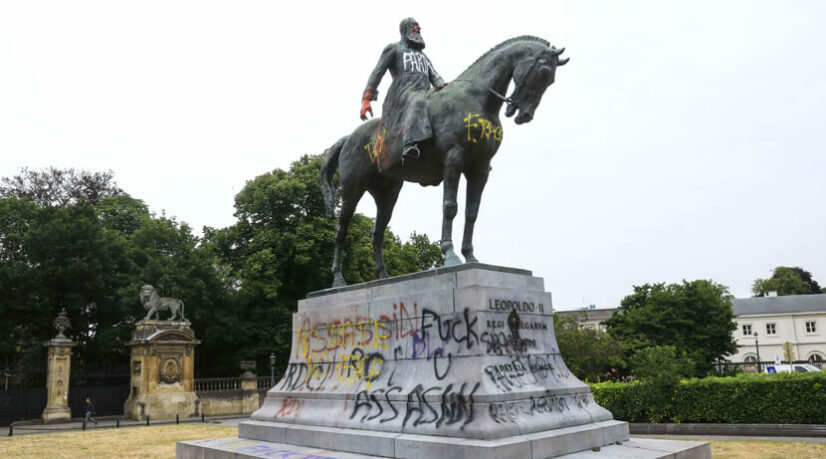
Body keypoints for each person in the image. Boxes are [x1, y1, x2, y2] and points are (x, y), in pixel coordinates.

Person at [360, 17, 446, 165]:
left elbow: (436, 77)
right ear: (405, 30)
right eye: (414, 27)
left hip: (425, 94)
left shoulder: (423, 57)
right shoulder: (394, 49)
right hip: (403, 94)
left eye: (418, 28)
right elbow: (377, 73)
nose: (418, 30)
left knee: (444, 105)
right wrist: (366, 99)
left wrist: (445, 89)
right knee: (418, 100)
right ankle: (409, 144)